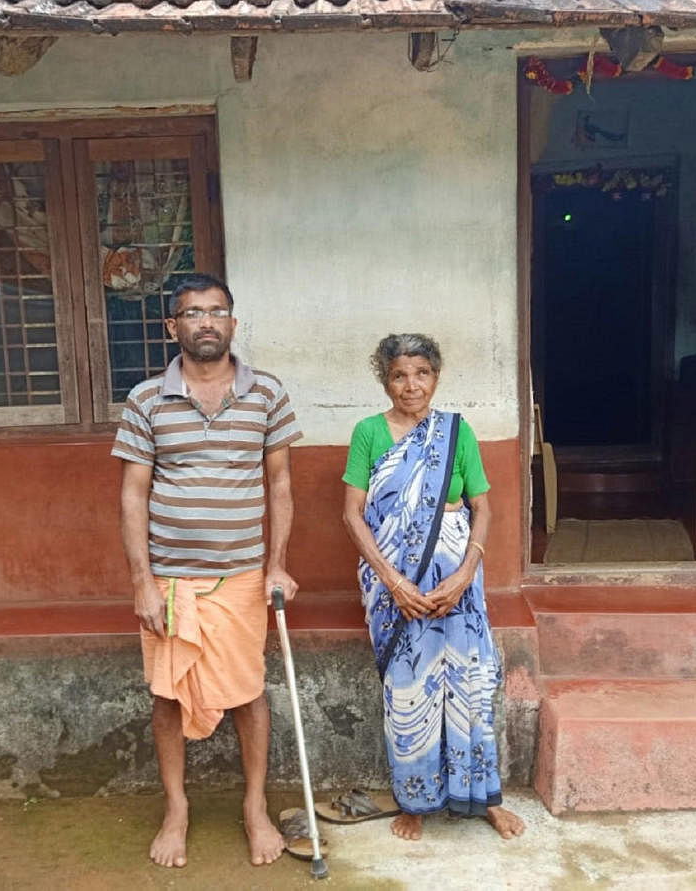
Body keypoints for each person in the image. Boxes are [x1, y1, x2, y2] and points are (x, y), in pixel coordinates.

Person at [113, 273, 303, 868]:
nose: (206, 322)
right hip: (171, 579)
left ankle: (254, 808)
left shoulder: (267, 394)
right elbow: (132, 495)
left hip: (243, 576)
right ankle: (177, 809)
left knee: (249, 694)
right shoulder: (146, 399)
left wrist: (277, 565)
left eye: (217, 312)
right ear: (173, 326)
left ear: (233, 324)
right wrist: (142, 581)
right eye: (193, 313)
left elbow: (280, 483)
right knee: (168, 696)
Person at [340, 333, 526, 842]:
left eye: (421, 374)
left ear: (436, 377)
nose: (411, 385)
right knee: (408, 692)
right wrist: (394, 582)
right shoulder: (369, 434)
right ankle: (415, 801)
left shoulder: (455, 433)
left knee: (470, 686)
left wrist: (465, 573)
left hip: (458, 582)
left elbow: (482, 507)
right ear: (385, 380)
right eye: (399, 375)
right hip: (394, 587)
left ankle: (483, 798)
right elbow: (352, 515)